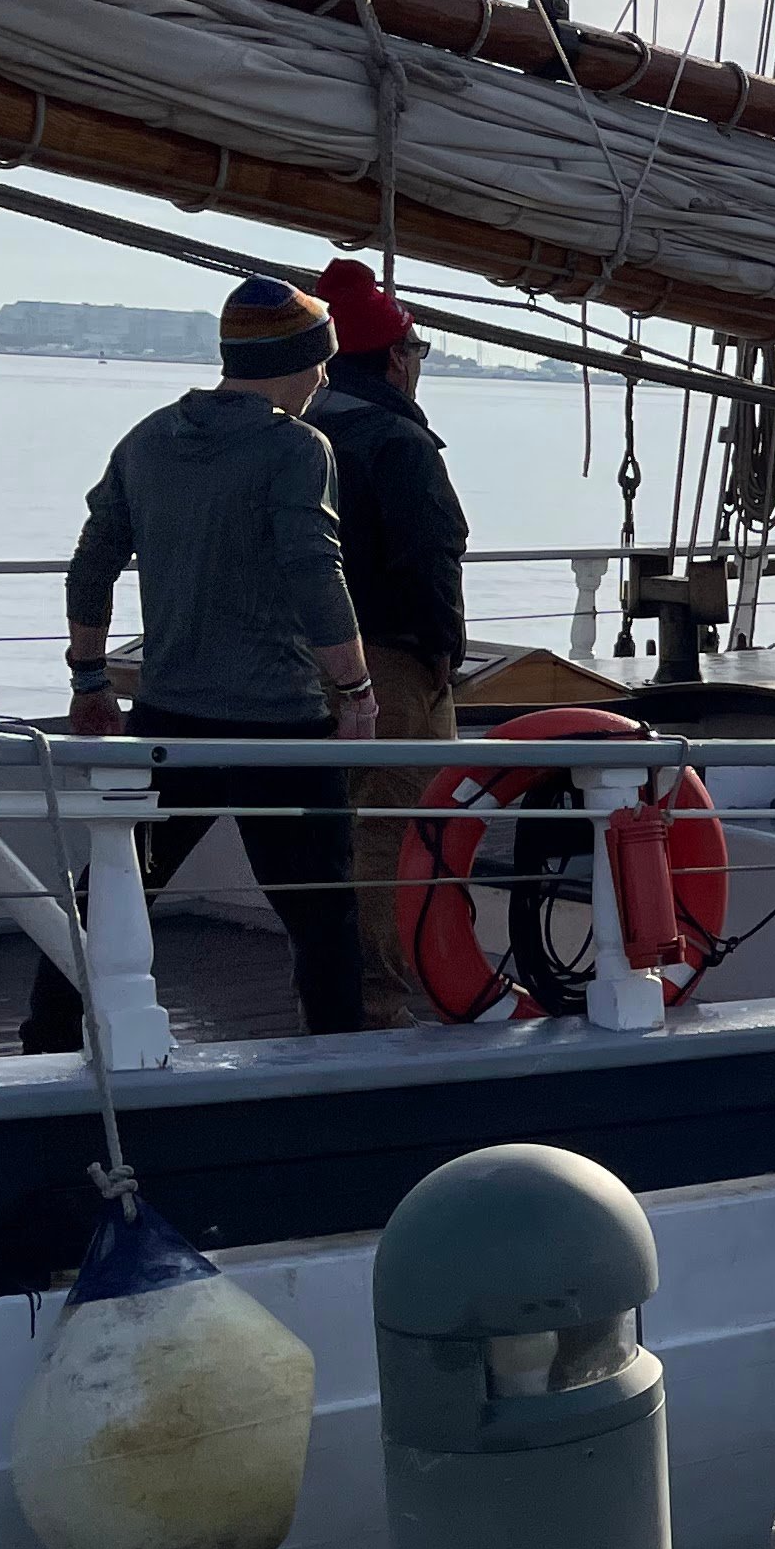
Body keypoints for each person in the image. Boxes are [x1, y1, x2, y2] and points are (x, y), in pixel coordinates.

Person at [26, 276, 381, 1050]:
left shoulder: (148, 438)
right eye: (320, 364)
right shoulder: (297, 447)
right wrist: (354, 686)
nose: (324, 378)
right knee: (321, 911)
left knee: (114, 892)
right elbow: (313, 568)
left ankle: (45, 1041)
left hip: (170, 719)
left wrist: (89, 679)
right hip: (279, 726)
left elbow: (92, 564)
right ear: (299, 363)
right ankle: (338, 1061)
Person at [306, 259, 471, 1024]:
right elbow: (430, 553)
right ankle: (376, 997)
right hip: (393, 665)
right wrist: (442, 650)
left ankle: (328, 986)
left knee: (320, 831)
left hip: (301, 660)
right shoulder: (398, 443)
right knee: (393, 830)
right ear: (397, 357)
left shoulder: (300, 433)